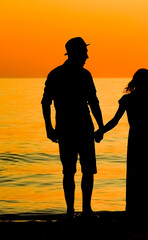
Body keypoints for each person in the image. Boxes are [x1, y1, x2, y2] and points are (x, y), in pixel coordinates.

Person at [41, 37, 104, 220]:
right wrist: (48, 127)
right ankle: (79, 210)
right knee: (77, 171)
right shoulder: (75, 75)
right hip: (74, 128)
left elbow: (93, 102)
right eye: (84, 52)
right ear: (76, 53)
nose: (87, 56)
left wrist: (100, 126)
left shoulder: (62, 74)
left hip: (74, 127)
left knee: (79, 171)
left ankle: (80, 210)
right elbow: (46, 102)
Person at [94, 68, 148, 216]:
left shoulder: (128, 99)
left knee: (136, 175)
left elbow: (114, 121)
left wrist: (100, 131)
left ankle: (135, 210)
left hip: (136, 141)